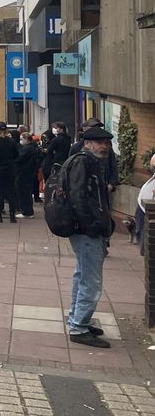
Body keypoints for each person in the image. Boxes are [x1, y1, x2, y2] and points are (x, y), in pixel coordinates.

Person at [65, 127, 116, 348]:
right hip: (86, 231)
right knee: (91, 281)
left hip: (84, 229)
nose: (103, 146)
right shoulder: (84, 163)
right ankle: (78, 327)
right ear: (87, 143)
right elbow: (78, 197)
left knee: (82, 274)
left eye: (106, 142)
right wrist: (92, 225)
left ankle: (77, 319)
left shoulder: (90, 162)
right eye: (98, 142)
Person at [14, 132, 40, 218]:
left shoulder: (26, 149)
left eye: (22, 139)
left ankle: (26, 211)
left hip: (23, 173)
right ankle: (28, 211)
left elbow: (19, 159)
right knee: (27, 192)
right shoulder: (34, 147)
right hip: (30, 172)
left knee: (23, 192)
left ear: (26, 139)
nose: (21, 141)